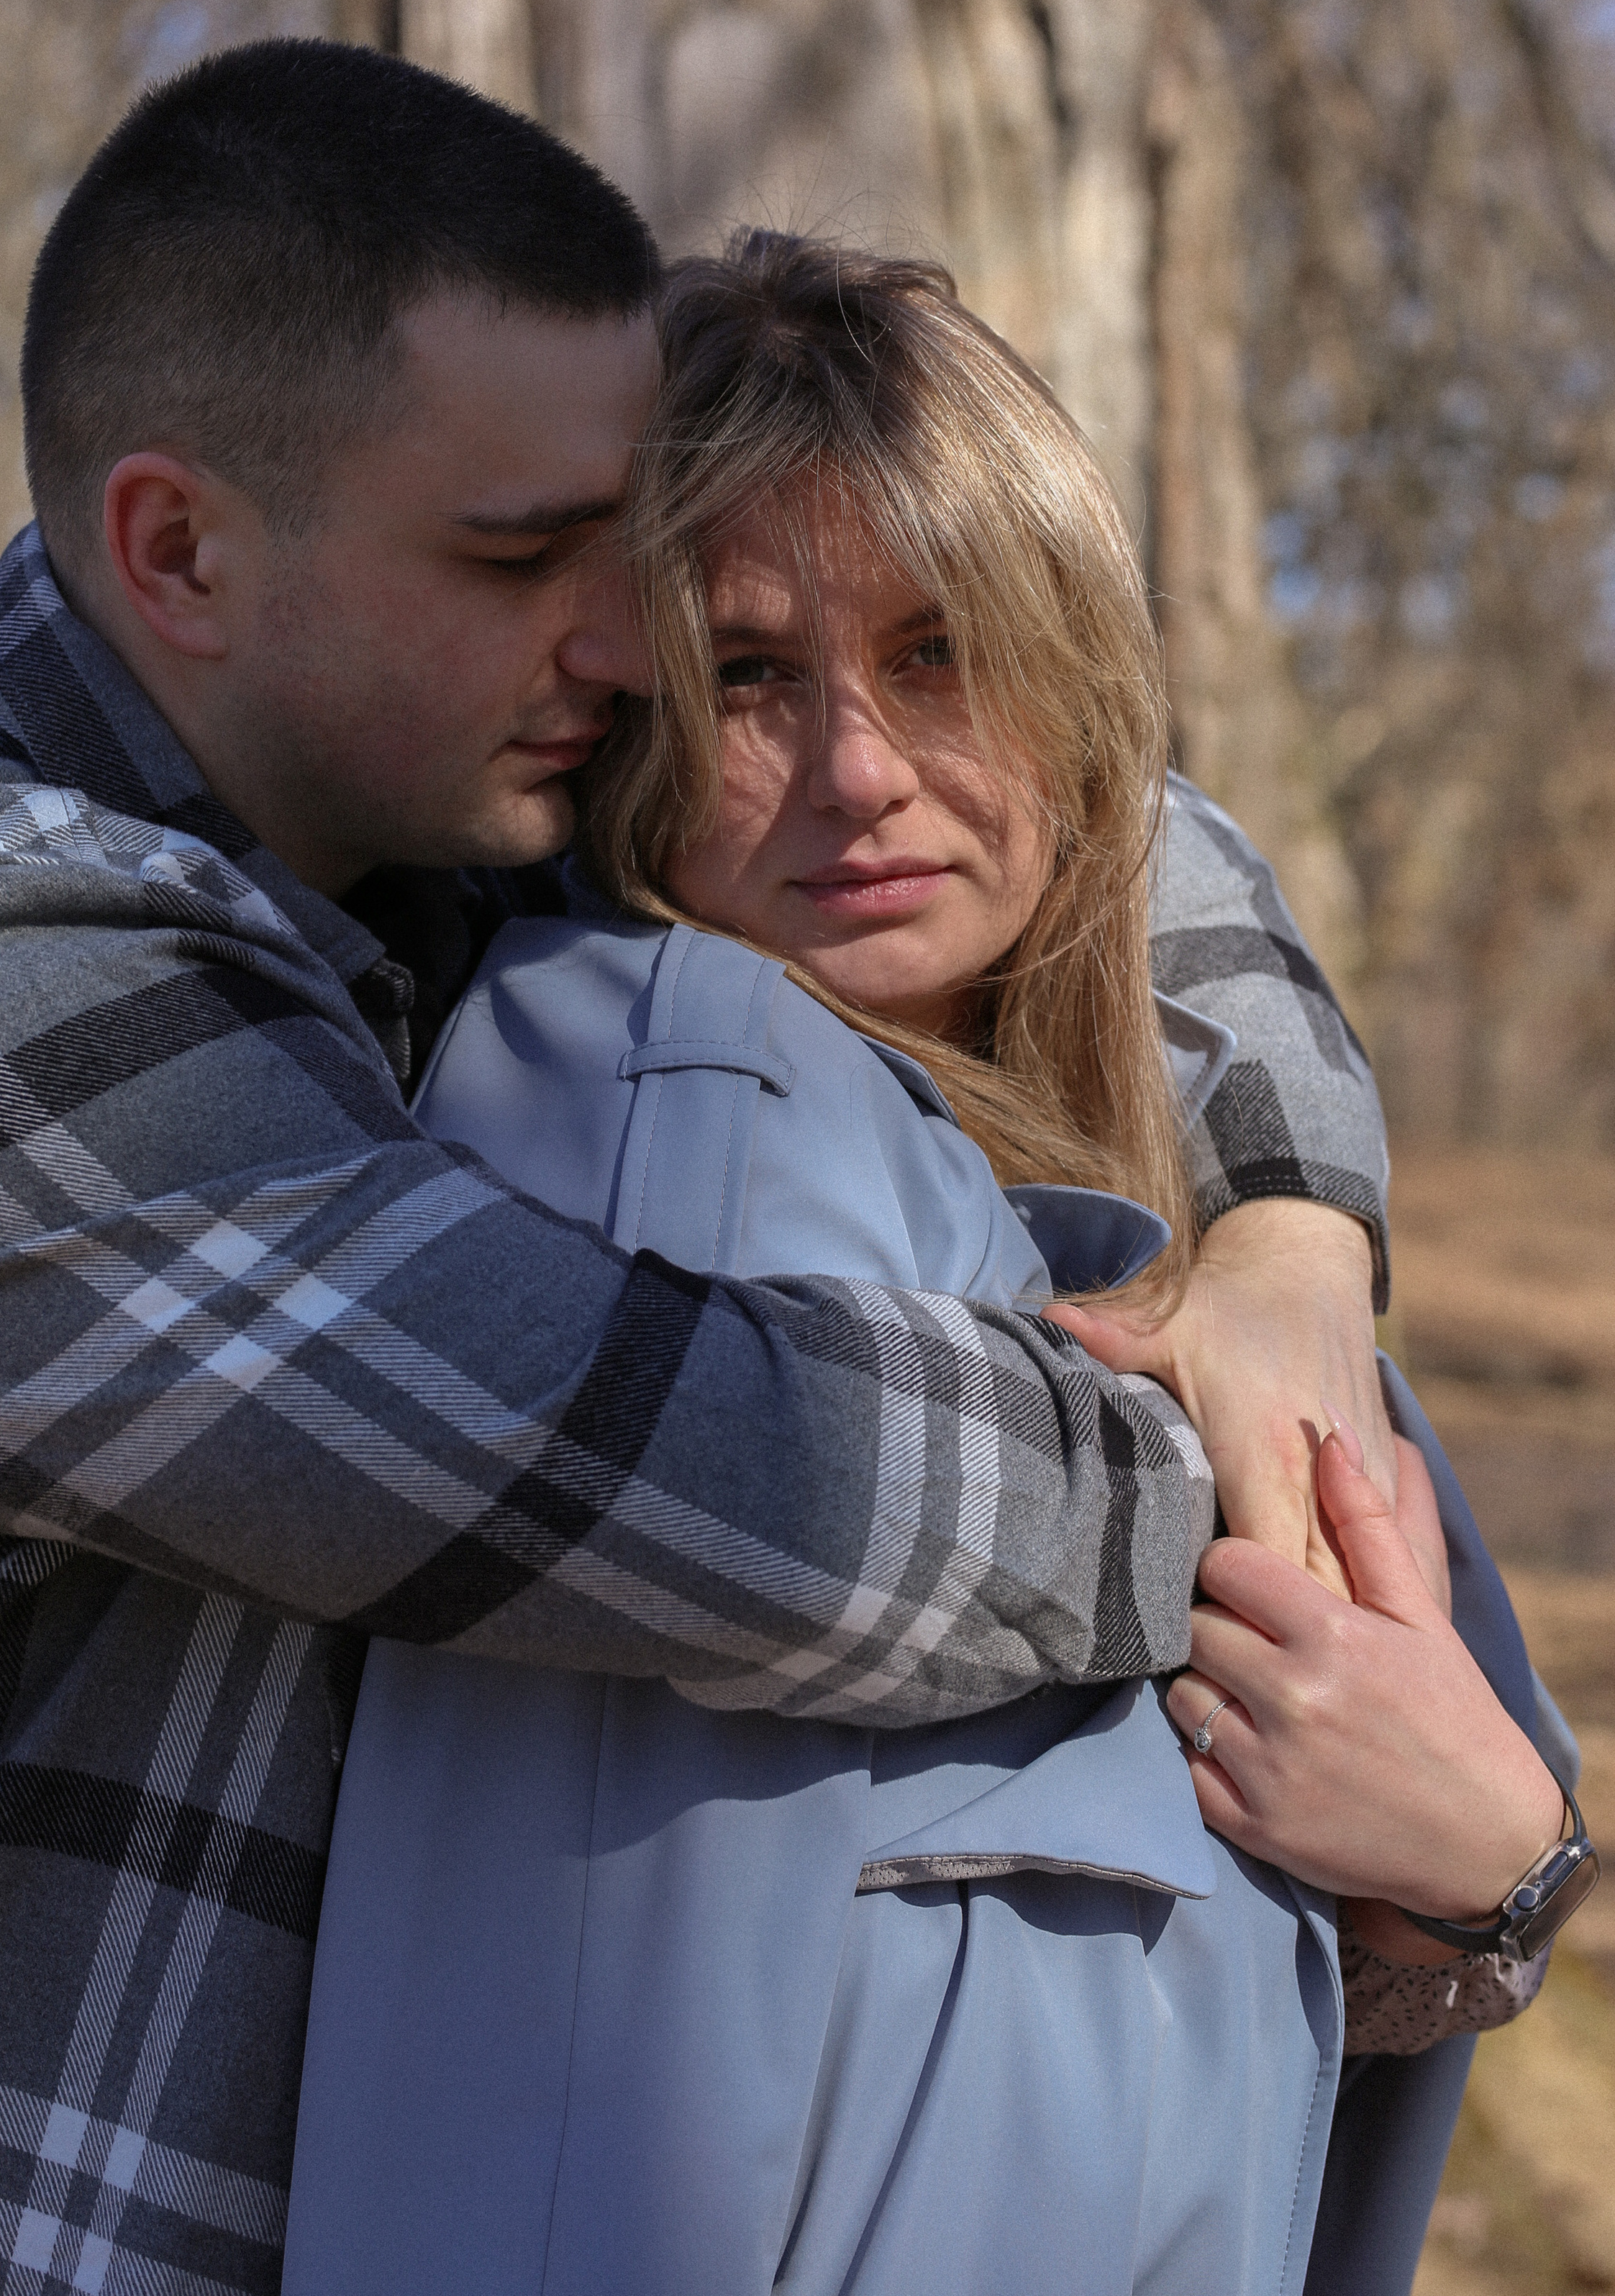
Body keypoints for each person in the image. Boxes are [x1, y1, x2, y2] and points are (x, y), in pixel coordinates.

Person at [0, 41, 1506, 2295]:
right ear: (178, 550)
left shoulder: (394, 808)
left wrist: (1292, 1236)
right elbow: (681, 1465)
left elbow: (1099, 812)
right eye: (530, 563)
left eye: (630, 566)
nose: (625, 658)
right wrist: (1303, 1543)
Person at [281, 230, 1583, 2296]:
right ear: (619, 711)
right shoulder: (664, 1092)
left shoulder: (1183, 1210)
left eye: (937, 653)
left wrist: (1482, 1888)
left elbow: (1286, 1953)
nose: (861, 774)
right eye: (753, 677)